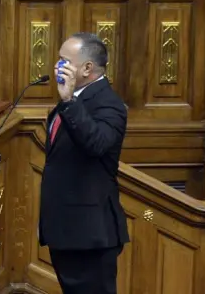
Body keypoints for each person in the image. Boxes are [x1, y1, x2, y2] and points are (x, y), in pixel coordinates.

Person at [38, 32, 129, 294]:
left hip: (90, 235)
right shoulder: (73, 100)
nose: (57, 66)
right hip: (67, 230)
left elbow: (96, 143)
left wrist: (69, 101)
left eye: (64, 61)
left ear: (87, 68)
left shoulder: (109, 104)